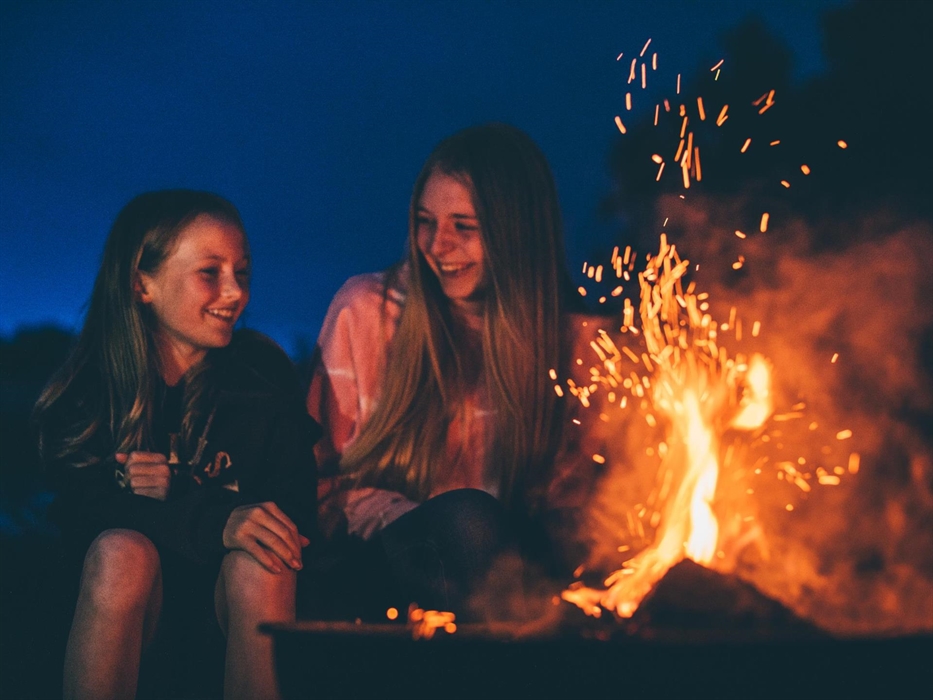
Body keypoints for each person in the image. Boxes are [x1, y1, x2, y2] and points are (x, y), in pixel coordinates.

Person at [307, 123, 603, 620]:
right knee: (468, 522)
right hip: (385, 561)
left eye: (463, 227)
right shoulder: (367, 313)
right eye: (425, 221)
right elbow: (316, 484)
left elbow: (574, 507)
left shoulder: (579, 342)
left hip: (519, 569)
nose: (437, 246)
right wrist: (420, 520)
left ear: (515, 232)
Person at [34, 190, 319, 700]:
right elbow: (79, 516)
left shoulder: (261, 374)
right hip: (134, 618)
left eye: (243, 272)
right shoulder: (92, 389)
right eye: (210, 272)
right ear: (143, 284)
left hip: (228, 612)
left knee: (265, 556)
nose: (234, 293)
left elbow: (295, 511)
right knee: (120, 551)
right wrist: (214, 518)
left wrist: (188, 498)